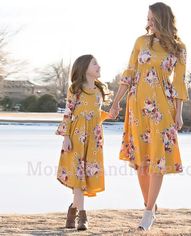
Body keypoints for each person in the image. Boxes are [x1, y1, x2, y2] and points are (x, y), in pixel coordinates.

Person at [110, 2, 189, 231]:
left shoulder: (178, 47)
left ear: (163, 19)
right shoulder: (141, 41)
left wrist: (179, 113)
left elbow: (179, 82)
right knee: (141, 160)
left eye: (153, 19)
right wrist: (116, 102)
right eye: (147, 19)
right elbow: (129, 73)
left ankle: (147, 212)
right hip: (137, 106)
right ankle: (150, 206)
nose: (149, 23)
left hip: (162, 107)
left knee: (158, 159)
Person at [56, 54, 111, 231]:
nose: (99, 66)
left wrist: (109, 115)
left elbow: (95, 114)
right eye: (95, 63)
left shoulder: (100, 90)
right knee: (78, 177)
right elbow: (68, 113)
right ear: (84, 67)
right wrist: (65, 137)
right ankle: (82, 216)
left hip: (94, 138)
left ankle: (73, 209)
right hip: (76, 137)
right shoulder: (75, 89)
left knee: (85, 177)